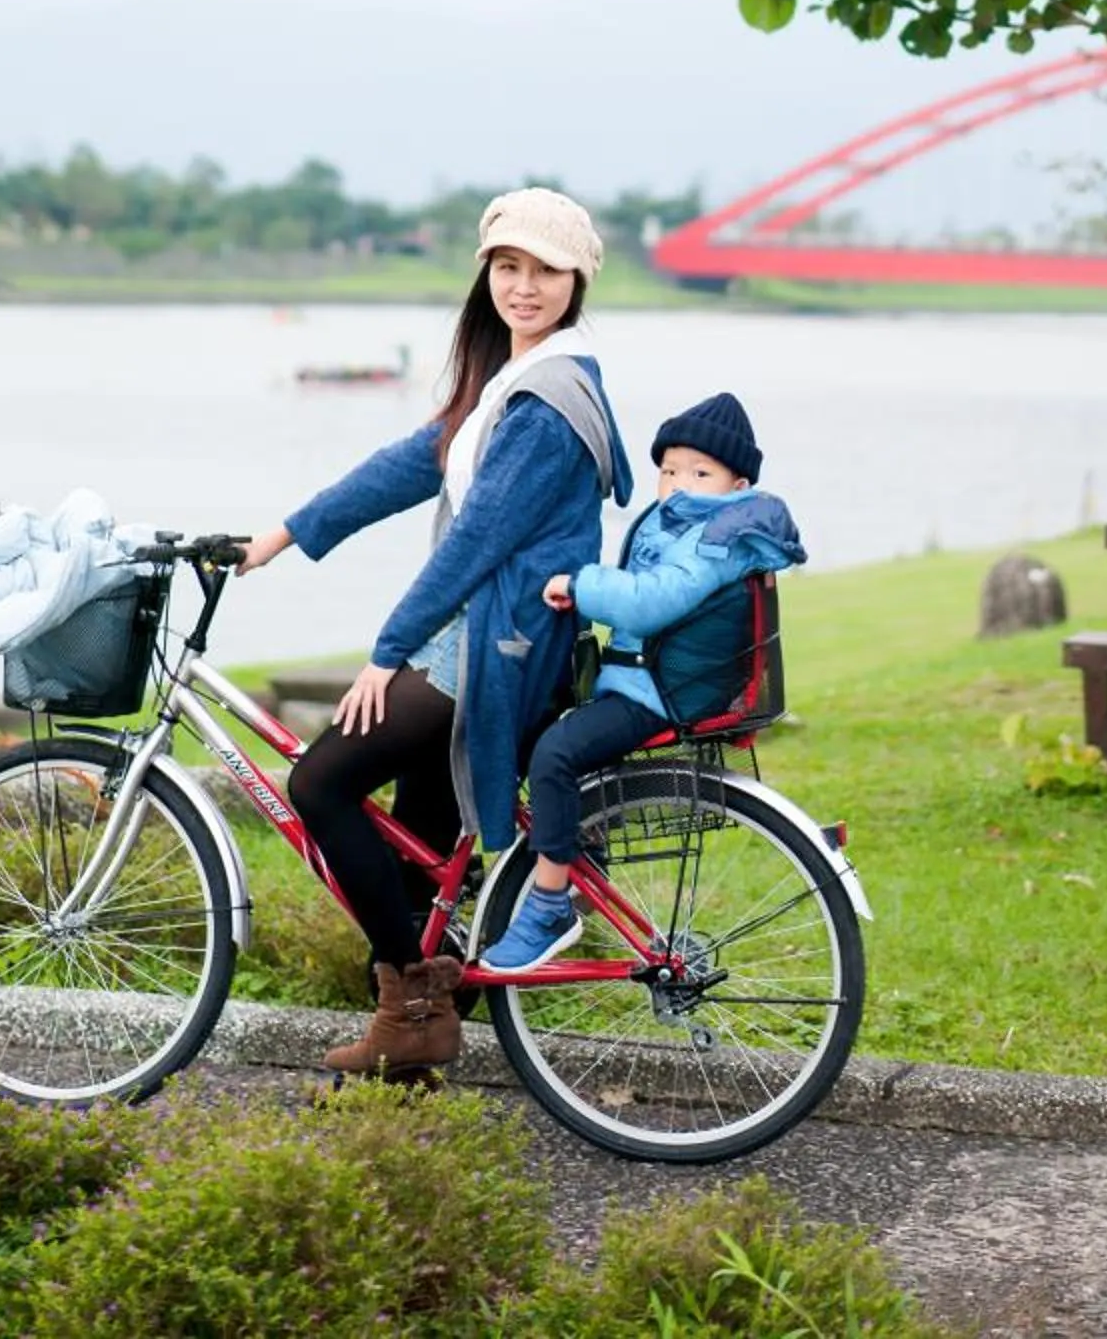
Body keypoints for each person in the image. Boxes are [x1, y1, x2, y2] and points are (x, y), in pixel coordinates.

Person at [235, 187, 631, 1077]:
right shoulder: (507, 383)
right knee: (418, 842)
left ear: (578, 283)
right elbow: (413, 463)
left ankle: (412, 997)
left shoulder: (550, 400)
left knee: (324, 783)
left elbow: (480, 539)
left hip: (500, 642)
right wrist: (286, 535)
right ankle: (411, 1051)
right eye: (508, 267)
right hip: (481, 633)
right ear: (486, 273)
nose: (524, 287)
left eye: (546, 272)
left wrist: (386, 650)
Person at [479, 389, 804, 975]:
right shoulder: (686, 523)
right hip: (640, 680)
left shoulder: (718, 539)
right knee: (527, 727)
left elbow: (654, 603)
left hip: (660, 694)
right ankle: (583, 850)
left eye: (700, 471)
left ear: (738, 485)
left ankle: (550, 905)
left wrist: (582, 584)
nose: (679, 483)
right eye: (669, 469)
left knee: (554, 755)